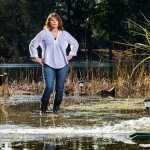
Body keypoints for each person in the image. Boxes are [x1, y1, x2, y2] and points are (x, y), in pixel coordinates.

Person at [29, 12, 79, 113]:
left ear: (59, 22)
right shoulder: (44, 33)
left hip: (63, 65)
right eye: (52, 20)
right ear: (49, 22)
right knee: (49, 87)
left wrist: (70, 55)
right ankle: (43, 109)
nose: (54, 22)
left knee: (60, 89)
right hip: (48, 65)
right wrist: (36, 58)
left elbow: (75, 43)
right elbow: (32, 44)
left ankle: (56, 109)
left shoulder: (64, 34)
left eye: (56, 20)